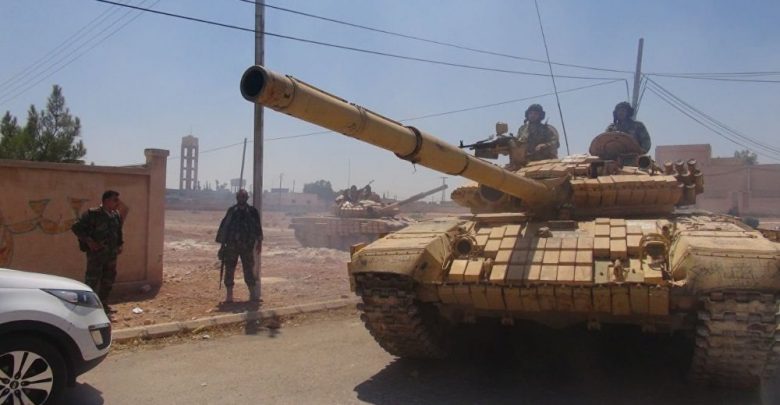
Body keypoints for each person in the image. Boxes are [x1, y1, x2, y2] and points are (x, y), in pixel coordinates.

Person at [71, 190, 125, 319]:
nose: (117, 203)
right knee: (92, 280)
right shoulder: (93, 214)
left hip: (111, 255)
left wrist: (120, 244)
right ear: (106, 201)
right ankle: (86, 306)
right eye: (115, 200)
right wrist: (89, 241)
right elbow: (76, 227)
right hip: (96, 255)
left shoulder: (115, 215)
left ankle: (103, 304)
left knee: (108, 280)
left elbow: (118, 232)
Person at [216, 189, 263, 303]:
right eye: (239, 196)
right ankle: (229, 296)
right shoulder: (232, 211)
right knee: (229, 269)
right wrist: (222, 245)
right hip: (232, 246)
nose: (241, 198)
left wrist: (259, 243)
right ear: (237, 198)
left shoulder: (252, 211)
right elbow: (224, 227)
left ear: (247, 198)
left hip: (247, 246)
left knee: (249, 269)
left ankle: (253, 295)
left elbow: (258, 227)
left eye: (243, 196)